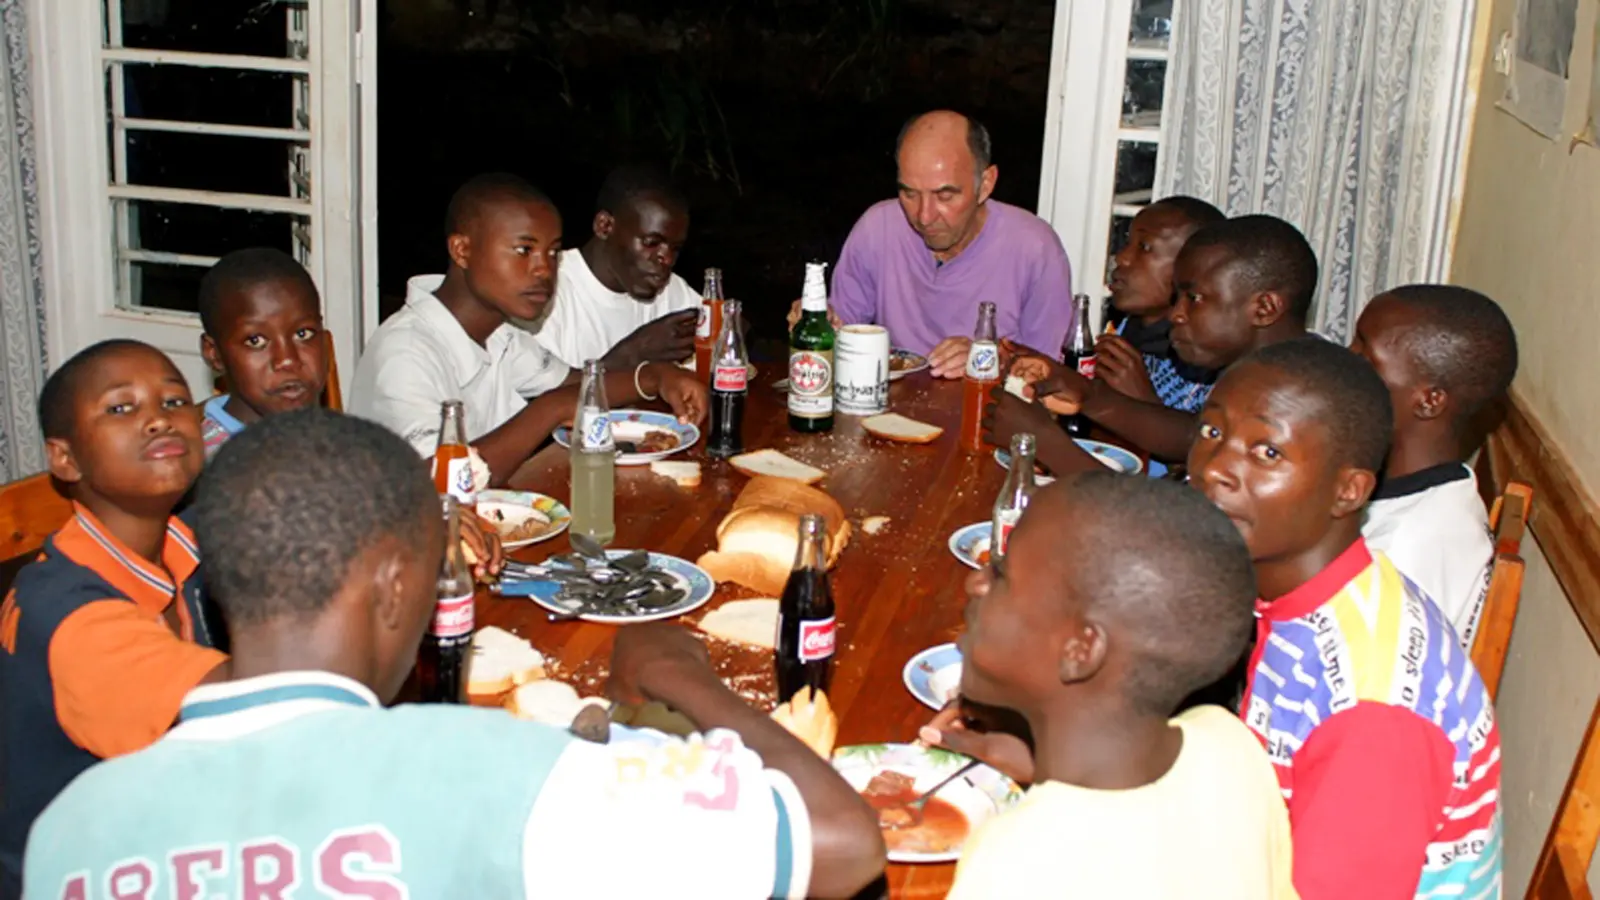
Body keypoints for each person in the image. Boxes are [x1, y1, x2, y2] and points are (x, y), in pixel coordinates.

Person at [24, 409, 886, 899]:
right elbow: (842, 843)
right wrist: (675, 673)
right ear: (400, 588)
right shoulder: (499, 774)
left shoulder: (67, 831)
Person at [1190, 338, 1501, 899]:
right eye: (1212, 433)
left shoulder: (1371, 713)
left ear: (1349, 490)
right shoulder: (1305, 594)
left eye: (1267, 454)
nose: (1215, 470)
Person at [918, 473, 1295, 899]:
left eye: (1002, 574)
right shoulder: (1228, 742)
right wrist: (1042, 768)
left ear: (1080, 650)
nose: (976, 582)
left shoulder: (1023, 859)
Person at [0, 340, 229, 897]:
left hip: (160, 832)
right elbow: (259, 711)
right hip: (81, 878)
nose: (157, 418)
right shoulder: (75, 620)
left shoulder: (185, 537)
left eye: (175, 401)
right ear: (65, 459)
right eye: (121, 408)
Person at [349, 173, 708, 485]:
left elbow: (577, 385)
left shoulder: (499, 334)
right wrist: (550, 409)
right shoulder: (406, 354)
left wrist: (656, 376)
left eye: (552, 254)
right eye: (524, 250)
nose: (543, 270)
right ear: (462, 250)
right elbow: (441, 486)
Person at [995, 214, 1313, 475]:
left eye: (1194, 298)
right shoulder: (1262, 373)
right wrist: (1084, 393)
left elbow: (1165, 524)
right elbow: (1191, 435)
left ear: (1265, 309)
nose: (1176, 314)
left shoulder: (1293, 402)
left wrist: (1045, 443)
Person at [794, 110, 1073, 367]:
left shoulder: (1034, 248)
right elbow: (842, 327)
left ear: (985, 184)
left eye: (945, 196)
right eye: (909, 193)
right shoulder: (878, 228)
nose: (924, 217)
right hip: (891, 413)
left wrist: (989, 361)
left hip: (989, 414)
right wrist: (820, 321)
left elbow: (1053, 377)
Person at [1350, 285, 1518, 646]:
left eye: (1365, 358)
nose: (1345, 363)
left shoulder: (1402, 551)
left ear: (1429, 401)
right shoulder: (1444, 483)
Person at [528, 164, 703, 370]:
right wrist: (633, 355)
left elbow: (727, 341)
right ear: (605, 226)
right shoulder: (545, 291)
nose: (667, 259)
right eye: (651, 243)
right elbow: (541, 399)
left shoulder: (670, 290)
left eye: (675, 248)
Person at [196, 247, 330, 457]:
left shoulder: (335, 439)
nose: (287, 360)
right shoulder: (212, 474)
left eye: (303, 334)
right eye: (255, 340)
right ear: (214, 354)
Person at [1098, 196, 1227, 413]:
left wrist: (1145, 402)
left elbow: (1196, 442)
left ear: (1194, 267)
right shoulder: (1125, 327)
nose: (1122, 258)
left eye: (1145, 247)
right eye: (1128, 243)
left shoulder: (1207, 362)